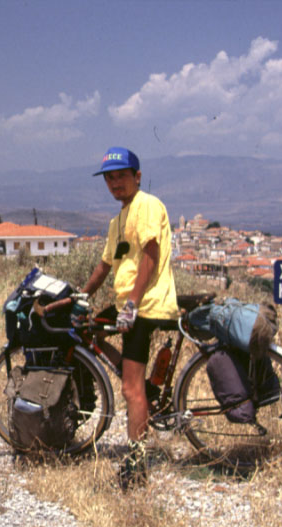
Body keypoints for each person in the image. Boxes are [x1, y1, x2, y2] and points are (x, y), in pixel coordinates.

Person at [80, 146, 179, 491]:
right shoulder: (117, 221)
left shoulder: (147, 206)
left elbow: (151, 252)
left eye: (121, 175)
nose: (115, 183)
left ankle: (137, 465)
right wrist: (81, 296)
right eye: (109, 177)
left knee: (129, 389)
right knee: (86, 328)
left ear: (137, 177)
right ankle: (137, 385)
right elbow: (104, 266)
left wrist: (133, 303)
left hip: (147, 305)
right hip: (128, 304)